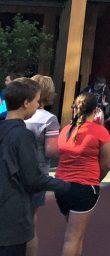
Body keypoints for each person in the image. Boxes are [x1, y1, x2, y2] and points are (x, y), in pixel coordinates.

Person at [0, 78, 71, 255]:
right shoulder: (22, 135)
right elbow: (32, 178)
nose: (38, 104)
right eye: (37, 100)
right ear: (26, 102)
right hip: (12, 211)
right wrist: (65, 185)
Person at [54, 91, 110, 256]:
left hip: (61, 185)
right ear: (95, 110)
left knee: (76, 235)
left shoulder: (65, 130)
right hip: (85, 186)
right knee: (73, 236)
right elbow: (106, 162)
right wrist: (95, 178)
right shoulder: (100, 132)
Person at [25, 75, 60, 256]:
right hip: (38, 171)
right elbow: (51, 151)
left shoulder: (16, 114)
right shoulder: (49, 119)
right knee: (30, 222)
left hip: (14, 171)